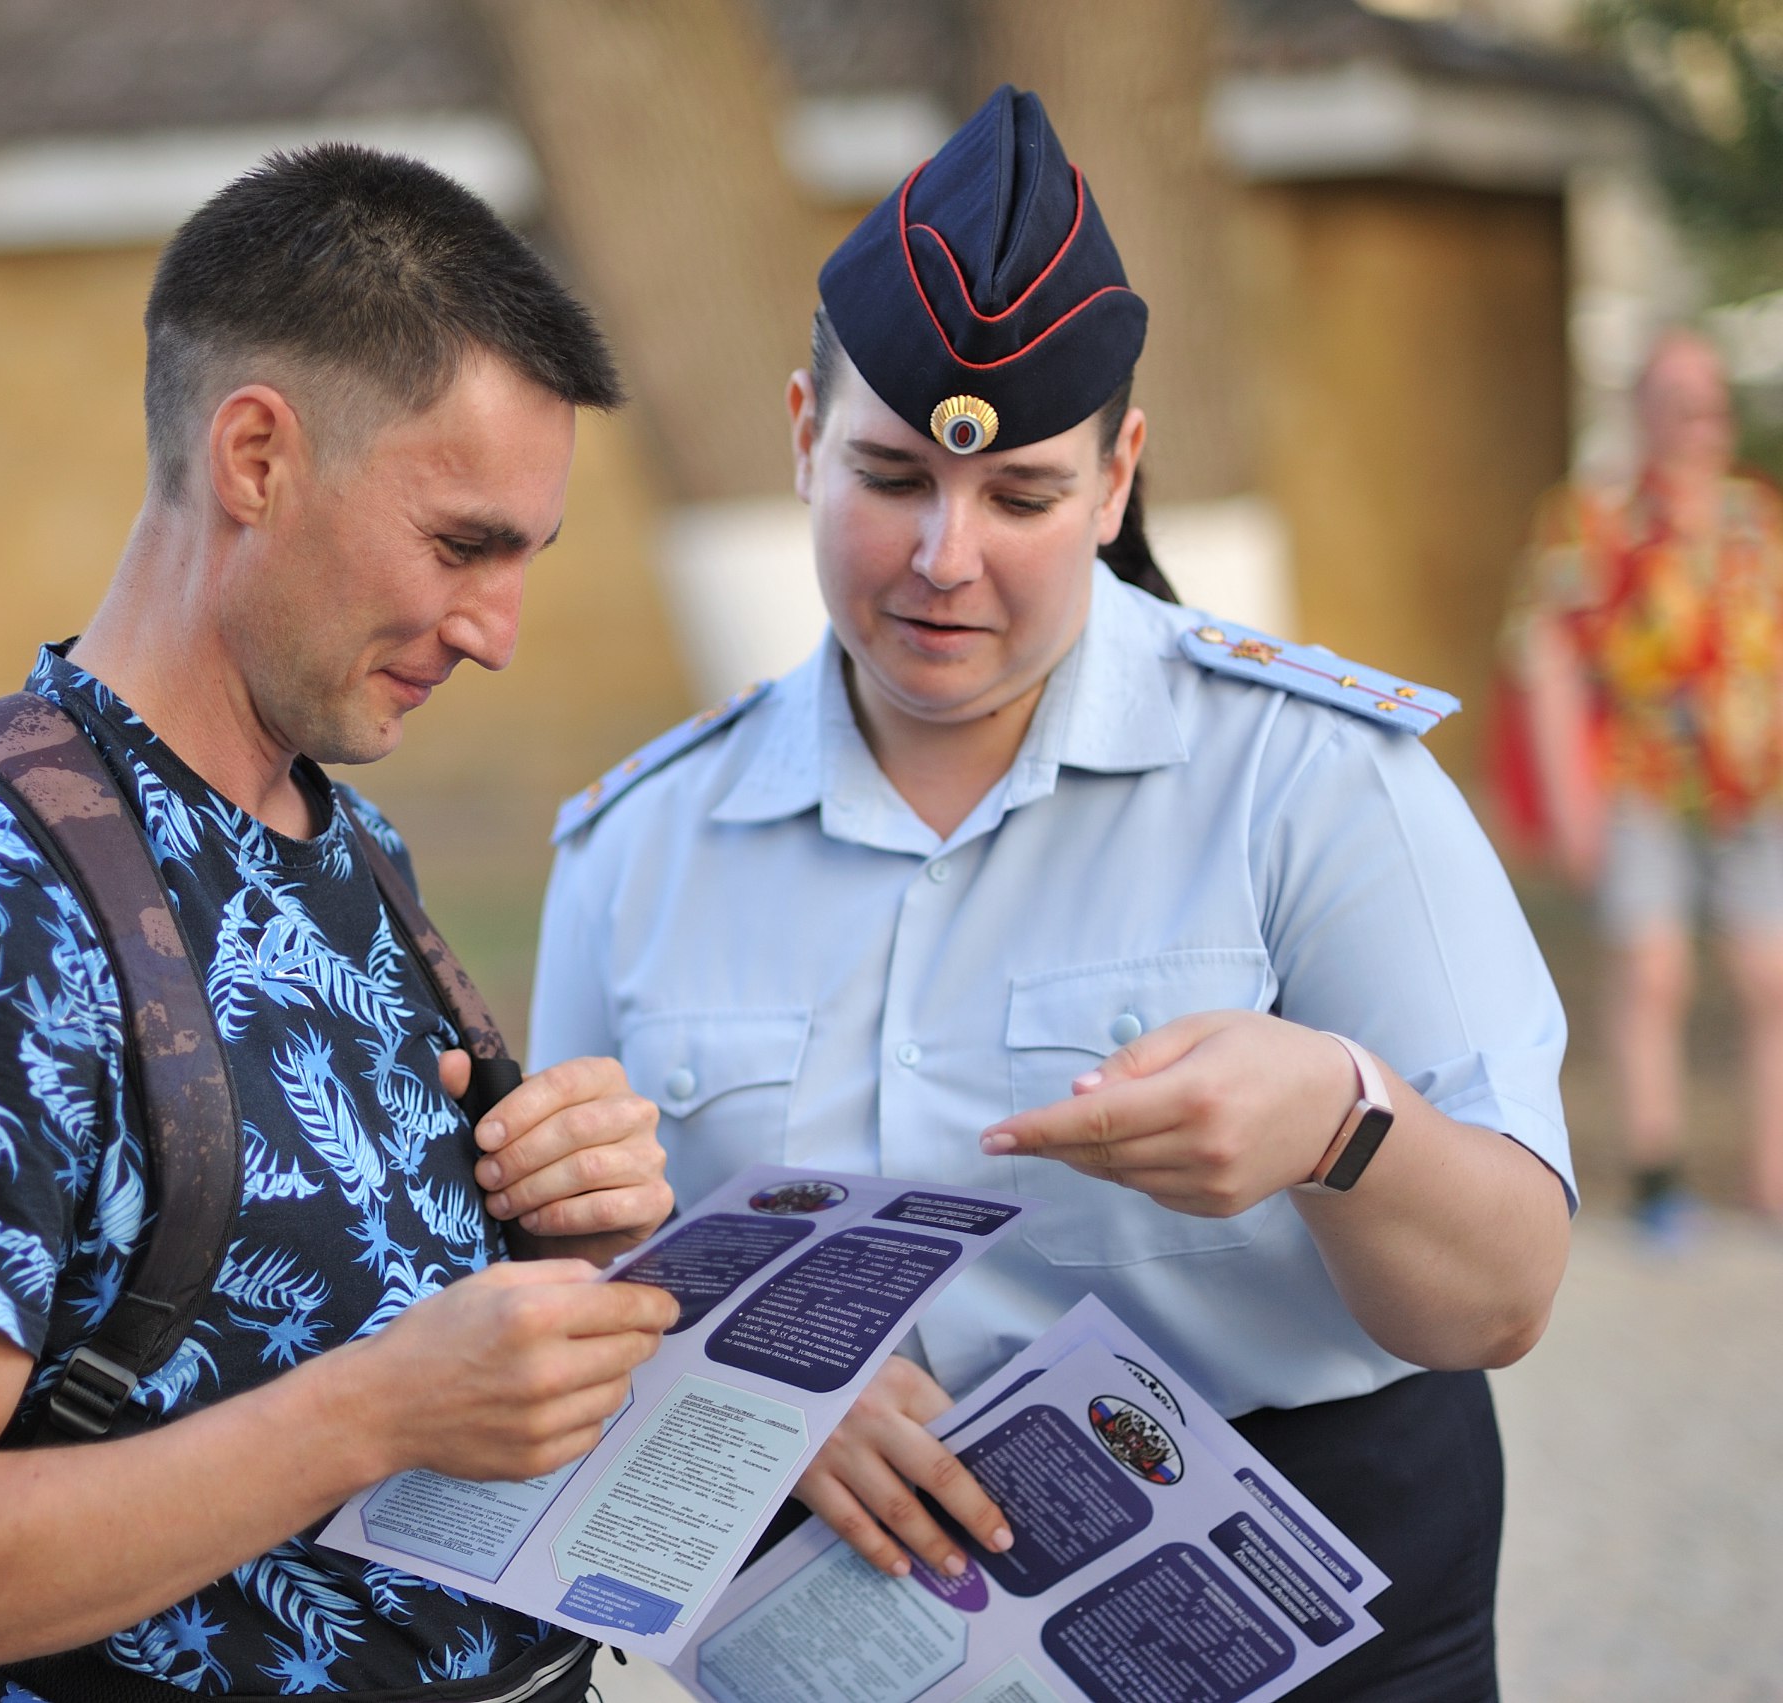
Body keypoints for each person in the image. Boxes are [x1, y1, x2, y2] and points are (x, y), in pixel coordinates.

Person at [531, 87, 1572, 1701]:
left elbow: (1501, 1293)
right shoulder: (640, 842)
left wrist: (1336, 1116)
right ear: (802, 431)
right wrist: (731, 1379)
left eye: (1021, 495)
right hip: (845, 1630)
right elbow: (565, 1276)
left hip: (1291, 1616)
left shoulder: (1310, 776)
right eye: (889, 475)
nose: (947, 554)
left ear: (1119, 475)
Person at [0, 145, 676, 1703]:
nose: (498, 634)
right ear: (256, 455)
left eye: (526, 560)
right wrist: (376, 1409)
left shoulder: (346, 836)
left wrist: (567, 1236)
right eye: (462, 544)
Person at [1508, 327, 1783, 1232]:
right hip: (1639, 775)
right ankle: (1658, 1173)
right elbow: (1547, 659)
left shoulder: (1758, 514)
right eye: (1679, 405)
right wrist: (1570, 801)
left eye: (1710, 405)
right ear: (1643, 412)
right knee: (1651, 968)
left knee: (1768, 972)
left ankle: (1770, 1175)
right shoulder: (1592, 515)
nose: (1699, 424)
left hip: (1758, 779)